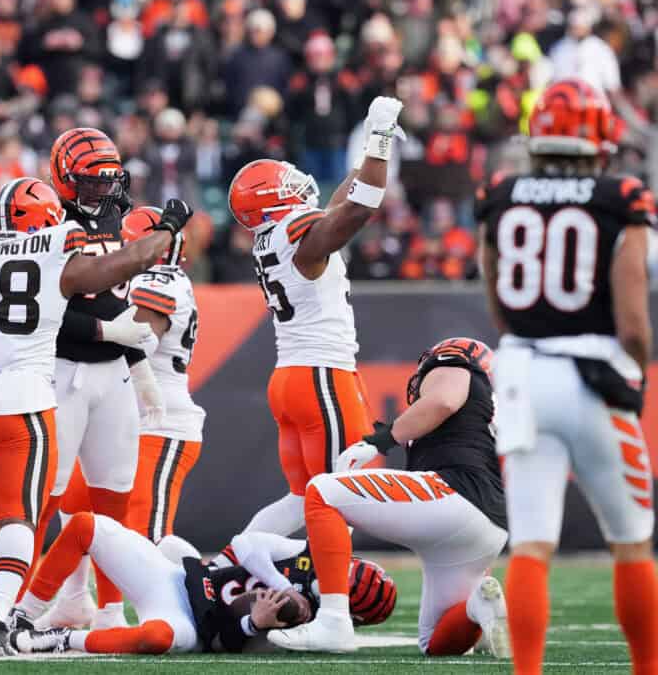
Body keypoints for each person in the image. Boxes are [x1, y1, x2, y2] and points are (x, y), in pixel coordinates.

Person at [0, 156, 192, 655]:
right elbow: (126, 263)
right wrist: (169, 225)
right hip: (22, 408)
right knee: (19, 517)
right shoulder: (54, 254)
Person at [477, 78, 658, 675]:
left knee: (531, 542)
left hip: (524, 372)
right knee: (630, 541)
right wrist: (638, 365)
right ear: (600, 136)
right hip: (594, 372)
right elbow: (632, 313)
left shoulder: (499, 194)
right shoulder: (621, 196)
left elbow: (499, 302)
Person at [223, 97, 404, 539]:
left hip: (292, 377)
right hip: (321, 373)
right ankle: (335, 601)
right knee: (336, 493)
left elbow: (340, 206)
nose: (295, 181)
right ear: (272, 197)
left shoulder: (276, 236)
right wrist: (379, 136)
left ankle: (235, 562)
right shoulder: (294, 233)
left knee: (304, 497)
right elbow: (361, 207)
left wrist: (367, 152)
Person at [268, 338, 509, 657]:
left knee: (322, 492)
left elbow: (443, 403)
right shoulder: (494, 410)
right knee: (436, 643)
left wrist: (378, 441)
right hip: (488, 524)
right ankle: (477, 606)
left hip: (453, 494)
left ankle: (333, 620)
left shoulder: (454, 363)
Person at [34, 127, 163, 631]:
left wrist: (138, 366)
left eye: (109, 178)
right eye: (91, 180)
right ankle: (17, 608)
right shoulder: (44, 218)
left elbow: (114, 300)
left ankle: (108, 609)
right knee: (45, 499)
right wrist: (110, 329)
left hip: (112, 374)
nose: (103, 188)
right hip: (60, 370)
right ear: (64, 179)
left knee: (114, 496)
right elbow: (40, 311)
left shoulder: (112, 215)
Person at [9, 513, 396, 655]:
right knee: (86, 526)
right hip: (183, 579)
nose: (324, 580)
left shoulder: (316, 629)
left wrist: (255, 624)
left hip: (197, 624)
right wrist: (281, 581)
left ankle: (62, 639)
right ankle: (20, 617)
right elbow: (247, 543)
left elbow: (223, 644)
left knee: (156, 637)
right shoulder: (306, 556)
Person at [119, 206, 206, 542]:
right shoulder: (157, 279)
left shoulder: (156, 281)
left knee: (146, 535)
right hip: (136, 419)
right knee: (104, 527)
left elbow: (138, 343)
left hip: (161, 423)